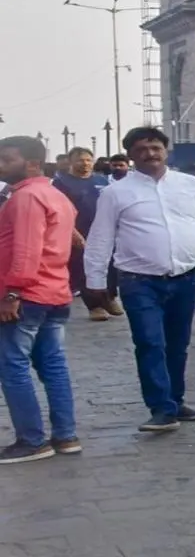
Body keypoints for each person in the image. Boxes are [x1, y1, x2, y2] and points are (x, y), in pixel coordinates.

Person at [84, 126, 195, 432]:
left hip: (185, 278)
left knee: (177, 344)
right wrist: (95, 281)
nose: (149, 154)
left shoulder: (192, 186)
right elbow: (100, 238)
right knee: (150, 342)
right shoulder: (115, 193)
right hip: (139, 281)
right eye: (140, 150)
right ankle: (161, 407)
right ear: (131, 156)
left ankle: (175, 399)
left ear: (166, 150)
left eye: (154, 148)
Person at [0, 136, 79, 464]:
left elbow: (27, 250)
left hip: (27, 295)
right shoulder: (56, 195)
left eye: (6, 160)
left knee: (13, 366)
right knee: (53, 365)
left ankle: (32, 440)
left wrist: (12, 293)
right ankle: (66, 435)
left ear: (31, 163)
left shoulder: (27, 197)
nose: (1, 166)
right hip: (55, 292)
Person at [52, 146, 119, 321]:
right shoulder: (61, 182)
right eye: (80, 160)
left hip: (105, 230)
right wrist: (72, 232)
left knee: (111, 265)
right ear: (71, 162)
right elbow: (59, 210)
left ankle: (110, 297)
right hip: (80, 231)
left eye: (88, 160)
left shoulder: (102, 180)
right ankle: (94, 305)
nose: (85, 163)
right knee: (83, 268)